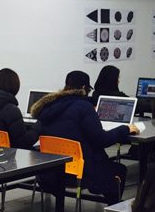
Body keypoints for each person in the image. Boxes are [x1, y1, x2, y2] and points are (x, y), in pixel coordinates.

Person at [31, 70, 138, 204]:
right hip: (81, 172)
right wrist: (124, 129)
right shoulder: (84, 107)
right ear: (83, 88)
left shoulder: (49, 106)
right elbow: (101, 140)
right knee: (119, 169)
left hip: (52, 170)